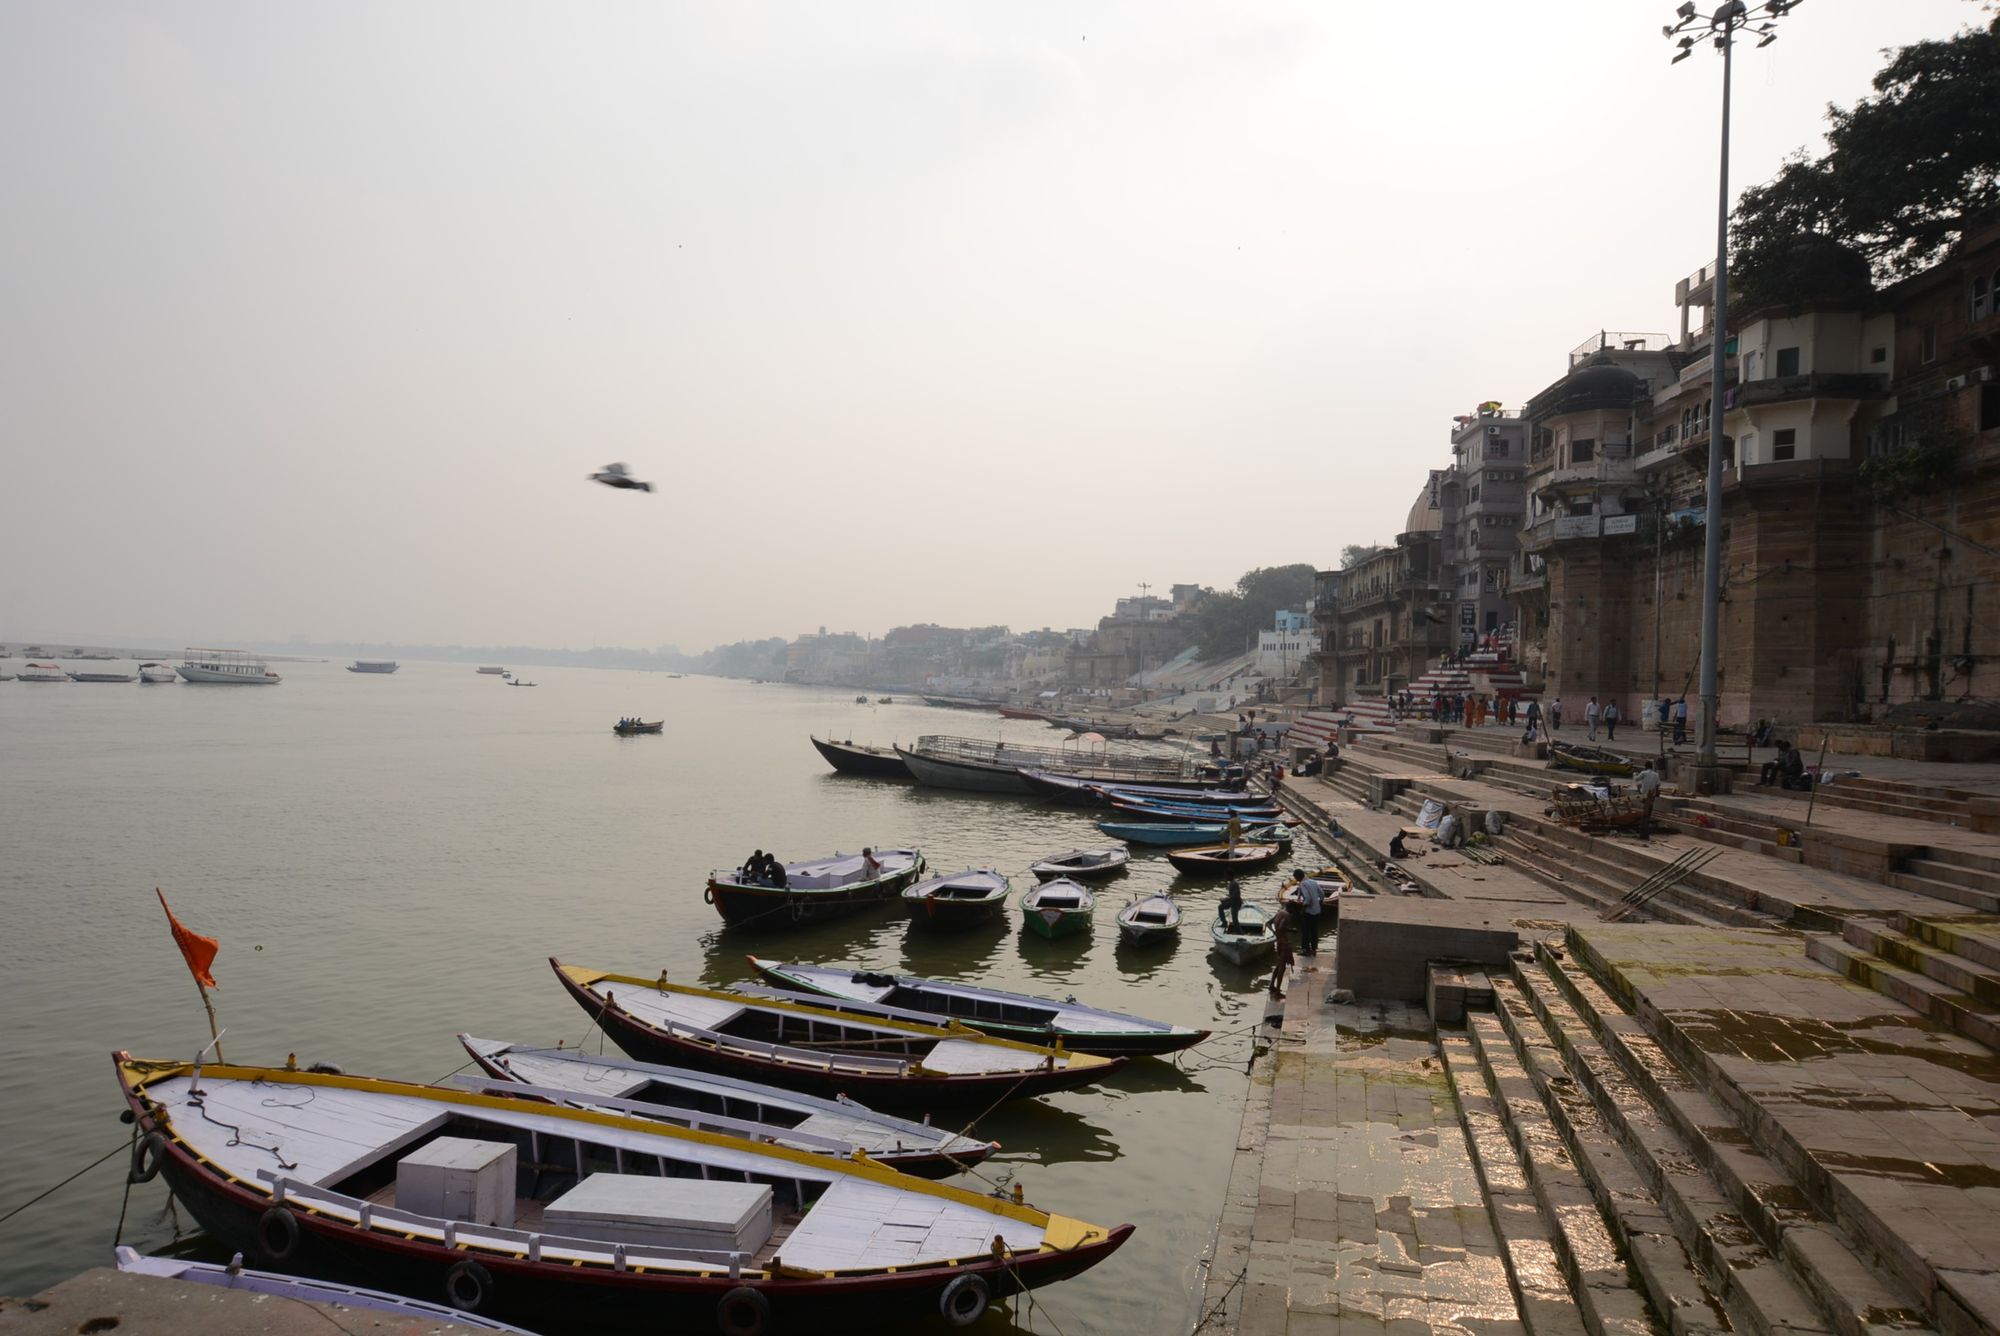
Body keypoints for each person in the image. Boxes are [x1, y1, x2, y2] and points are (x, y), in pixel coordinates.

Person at [1290, 868, 1324, 958]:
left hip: (1309, 911)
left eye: (1295, 878)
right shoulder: (1313, 881)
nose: (1295, 879)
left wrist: (1303, 907)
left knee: (1306, 931)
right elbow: (1322, 894)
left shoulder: (1303, 884)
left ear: (1298, 877)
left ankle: (1306, 950)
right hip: (1317, 911)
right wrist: (1319, 903)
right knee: (1314, 930)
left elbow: (1308, 899)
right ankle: (1314, 949)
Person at [1268, 904, 1295, 998]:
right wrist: (1291, 930)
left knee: (1279, 965)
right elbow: (1281, 927)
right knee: (1282, 968)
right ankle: (1277, 992)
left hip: (1279, 942)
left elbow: (1268, 923)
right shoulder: (1287, 915)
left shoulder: (1279, 912)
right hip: (1284, 943)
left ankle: (1272, 985)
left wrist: (1274, 932)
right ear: (1291, 909)